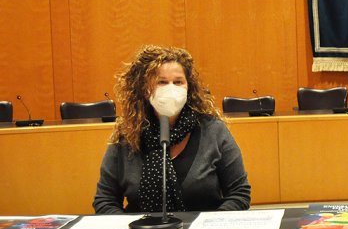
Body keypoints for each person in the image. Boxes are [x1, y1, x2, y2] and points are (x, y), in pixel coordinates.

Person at [93, 45, 250, 213]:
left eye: (178, 82)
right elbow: (105, 200)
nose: (171, 88)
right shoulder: (127, 135)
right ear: (145, 89)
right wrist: (131, 228)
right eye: (162, 82)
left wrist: (209, 226)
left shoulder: (213, 131)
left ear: (188, 87)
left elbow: (239, 193)